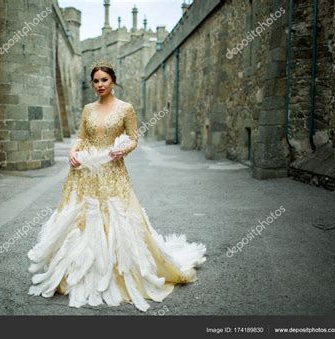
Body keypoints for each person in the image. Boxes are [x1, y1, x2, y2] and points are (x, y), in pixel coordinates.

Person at [27, 61, 206, 312]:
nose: (100, 85)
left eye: (104, 80)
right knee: (81, 219)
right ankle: (75, 272)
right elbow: (81, 136)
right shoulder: (88, 109)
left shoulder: (125, 109)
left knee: (116, 218)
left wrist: (121, 150)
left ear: (113, 81)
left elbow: (134, 138)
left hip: (112, 170)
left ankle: (118, 273)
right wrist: (72, 151)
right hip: (85, 171)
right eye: (96, 81)